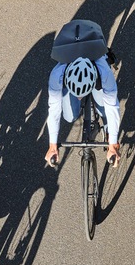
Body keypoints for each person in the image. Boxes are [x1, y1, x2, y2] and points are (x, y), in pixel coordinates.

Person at [44, 18, 122, 168]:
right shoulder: (57, 75)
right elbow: (53, 109)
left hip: (93, 51)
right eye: (77, 94)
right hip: (70, 48)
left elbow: (113, 107)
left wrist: (113, 143)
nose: (79, 97)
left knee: (105, 110)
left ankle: (106, 128)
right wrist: (52, 145)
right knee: (69, 115)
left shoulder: (104, 73)